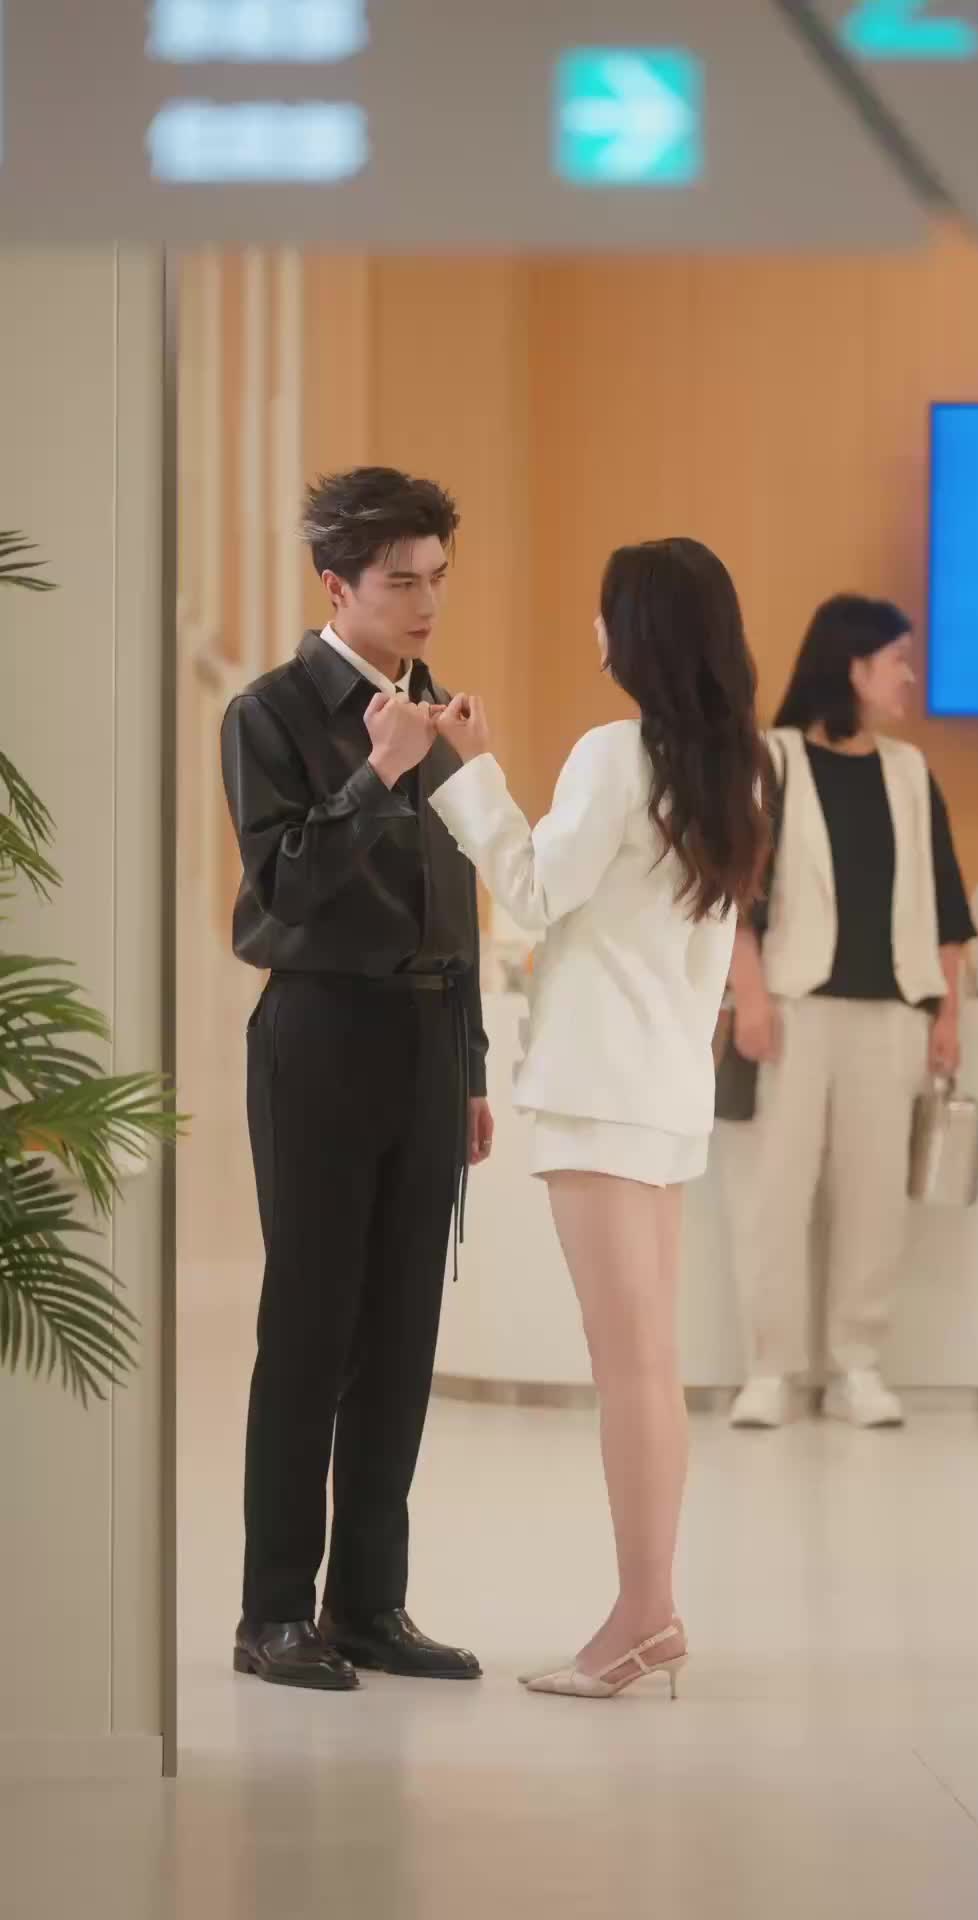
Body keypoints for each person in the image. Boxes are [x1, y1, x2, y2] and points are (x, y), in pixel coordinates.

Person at [428, 538, 769, 1700]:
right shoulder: (736, 770)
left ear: (641, 633)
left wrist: (473, 768)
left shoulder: (616, 754)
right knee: (649, 1365)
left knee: (630, 1370)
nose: (594, 627)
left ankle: (642, 1617)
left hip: (598, 1090)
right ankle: (649, 1611)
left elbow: (532, 892)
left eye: (606, 609)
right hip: (664, 1093)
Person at [220, 467, 493, 1691]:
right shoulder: (270, 713)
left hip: (428, 1039)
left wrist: (471, 1064)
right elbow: (281, 891)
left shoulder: (435, 708)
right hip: (319, 1034)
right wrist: (374, 773)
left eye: (437, 578)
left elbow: (457, 898)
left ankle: (370, 1606)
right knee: (310, 1331)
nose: (426, 603)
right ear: (336, 586)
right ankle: (273, 1613)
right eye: (400, 582)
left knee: (400, 1335)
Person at [725, 594, 976, 1432]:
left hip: (891, 1013)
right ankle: (769, 1369)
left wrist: (947, 1016)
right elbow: (737, 896)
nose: (909, 677)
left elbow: (946, 907)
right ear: (854, 666)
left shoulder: (910, 771)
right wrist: (750, 996)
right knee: (776, 1192)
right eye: (897, 661)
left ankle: (856, 1366)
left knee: (874, 1201)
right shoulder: (773, 759)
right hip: (792, 1010)